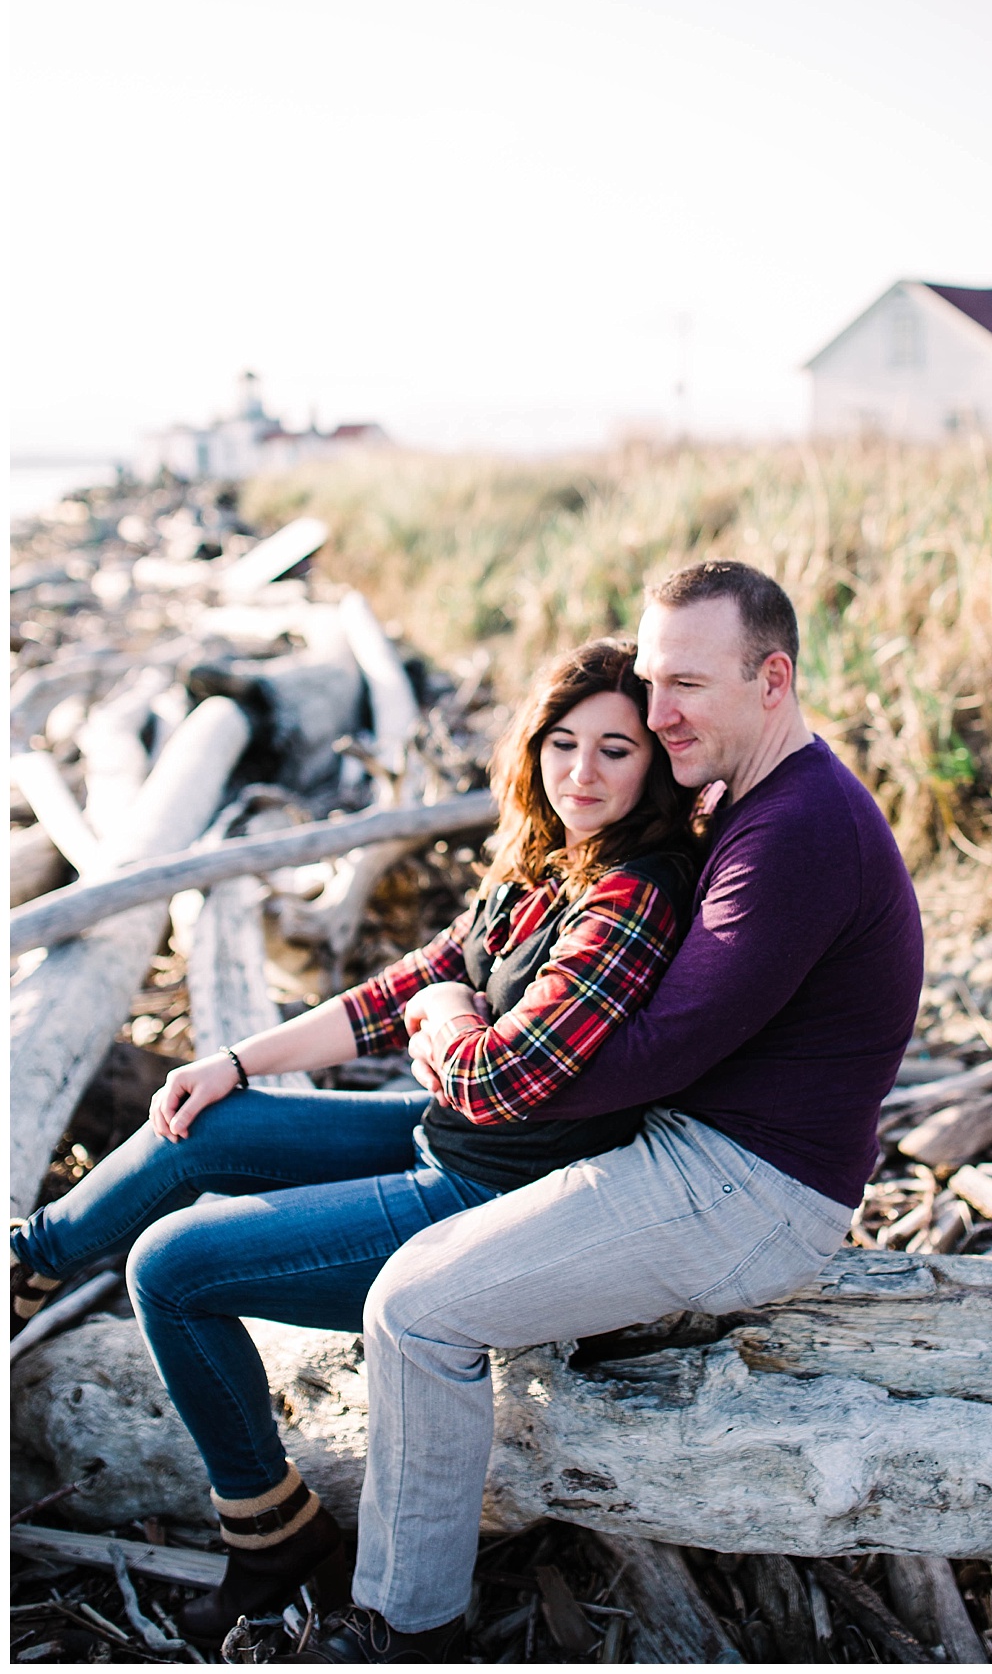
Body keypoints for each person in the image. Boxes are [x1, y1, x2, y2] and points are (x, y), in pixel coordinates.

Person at [283, 559, 925, 1666]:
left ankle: (405, 1625)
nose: (656, 709)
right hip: (697, 1153)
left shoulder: (800, 831)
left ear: (772, 678)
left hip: (746, 1190)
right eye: (649, 676)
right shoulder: (755, 795)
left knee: (415, 1305)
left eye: (685, 684)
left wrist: (452, 1036)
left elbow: (650, 1050)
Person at [9, 639, 699, 1648]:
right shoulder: (549, 862)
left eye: (614, 749)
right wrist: (238, 1059)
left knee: (171, 1264)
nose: (581, 772)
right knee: (207, 1122)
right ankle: (30, 1259)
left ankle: (272, 1536)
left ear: (655, 766)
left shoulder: (635, 889)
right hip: (445, 1139)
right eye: (562, 742)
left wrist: (448, 1014)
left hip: (491, 1203)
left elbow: (504, 1075)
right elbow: (400, 989)